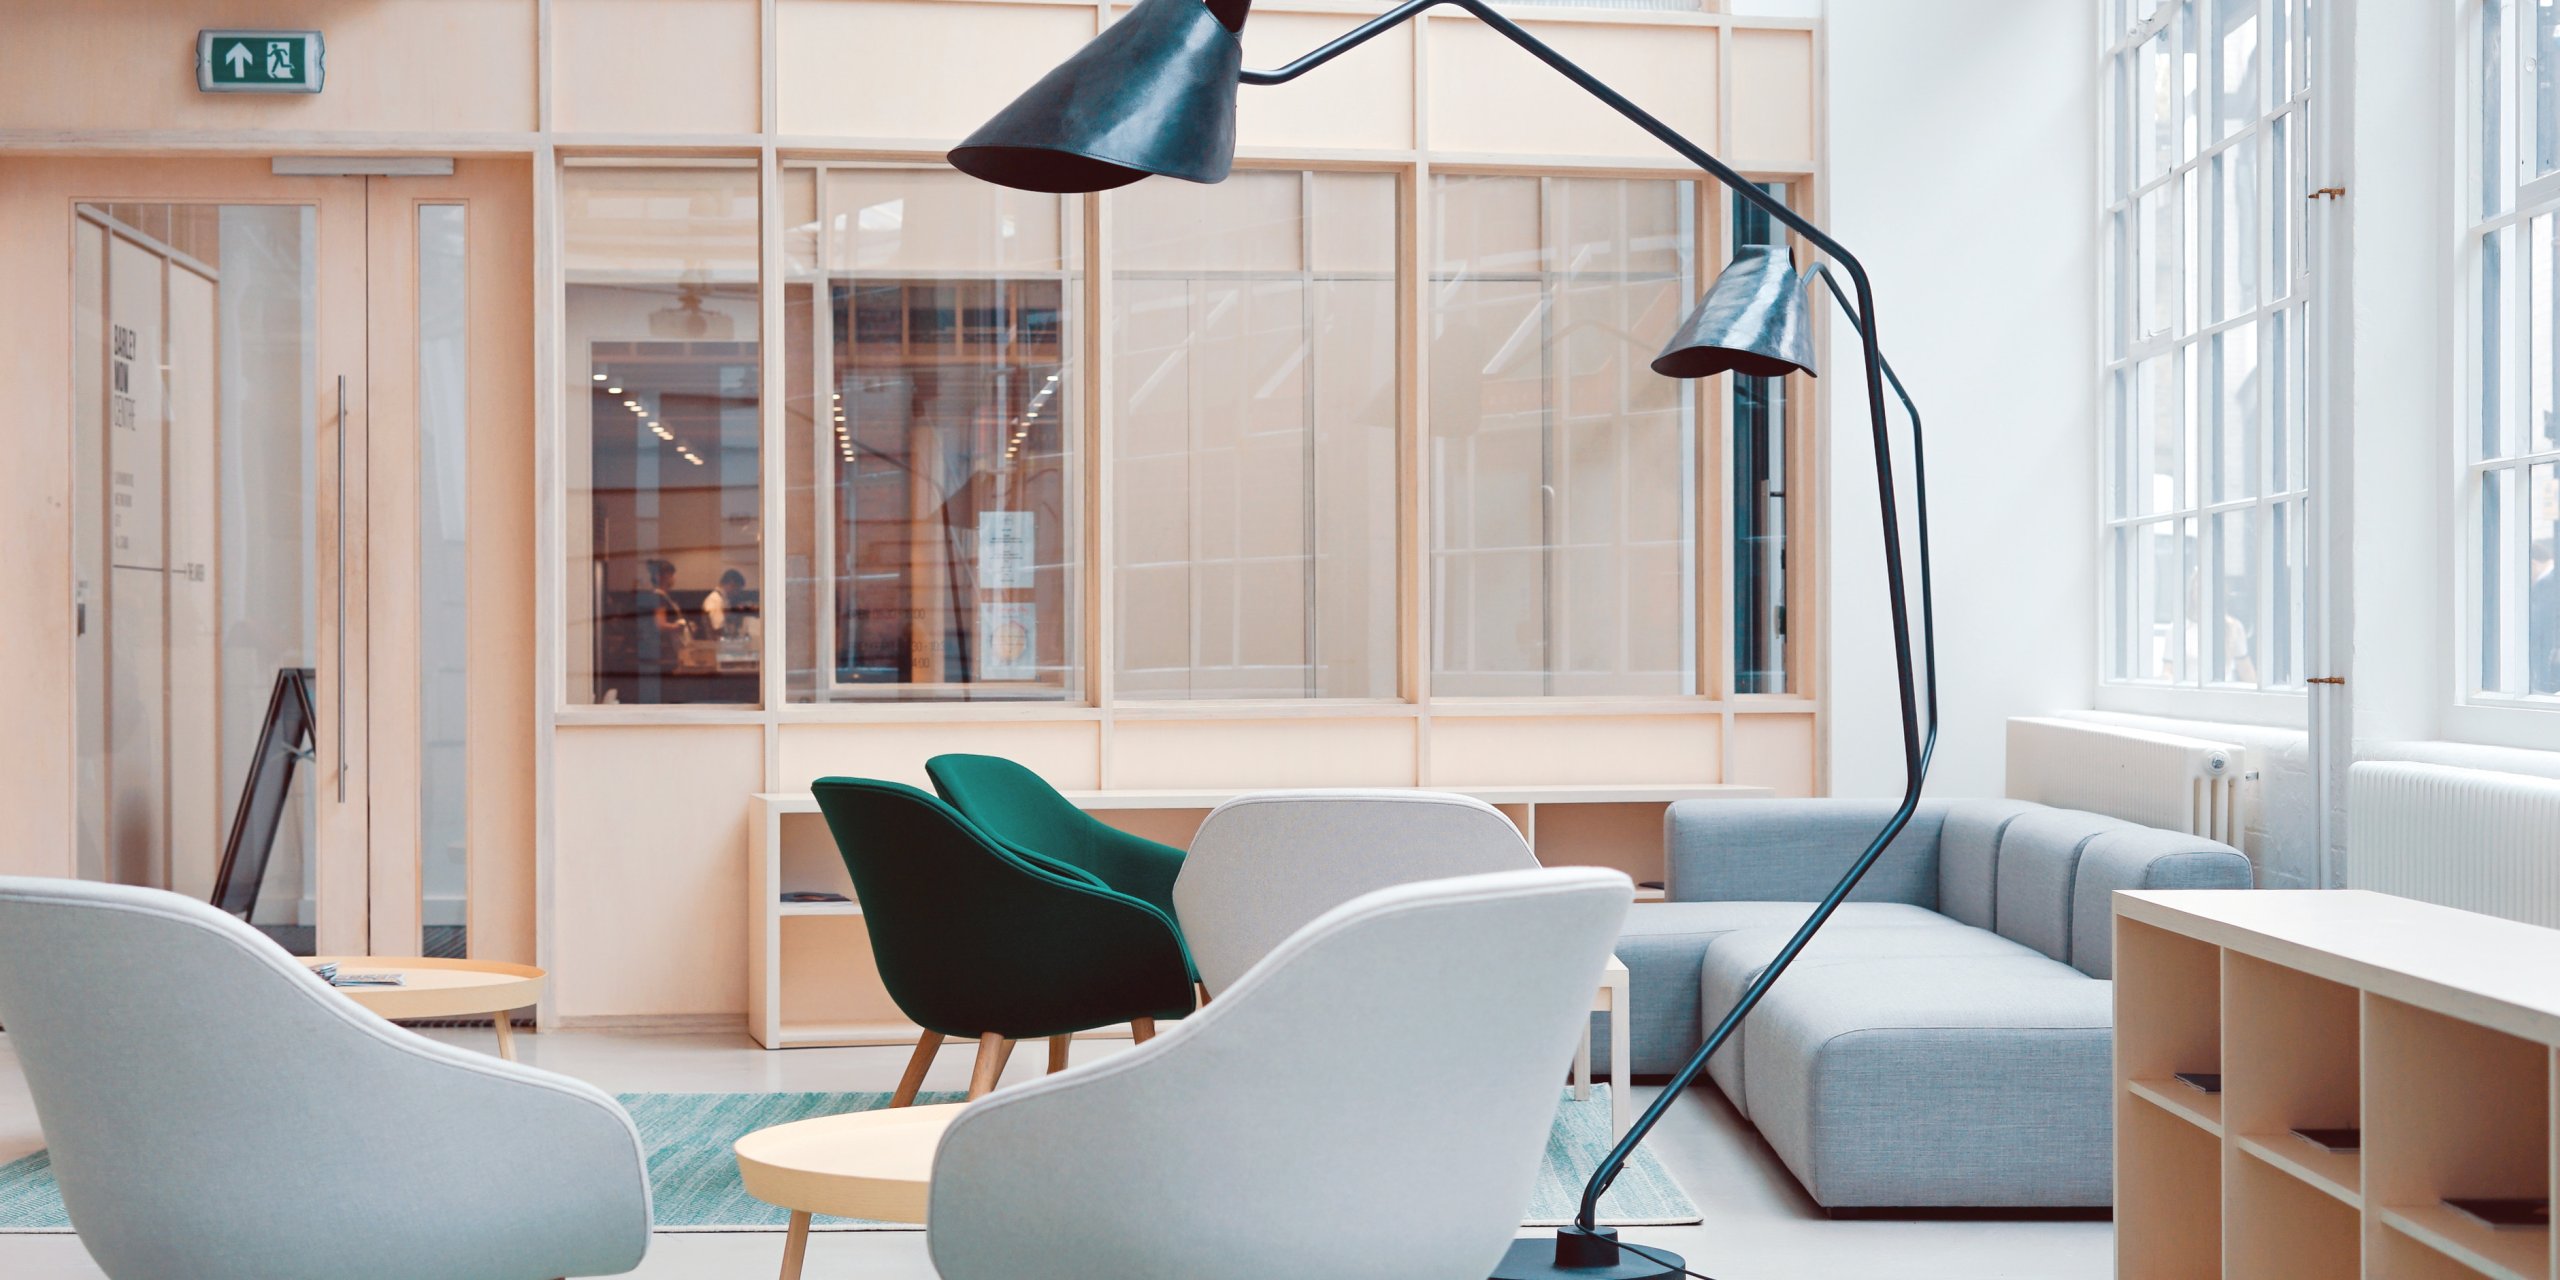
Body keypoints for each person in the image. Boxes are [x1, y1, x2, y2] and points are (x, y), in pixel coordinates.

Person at [703, 568, 747, 637]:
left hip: (721, 641)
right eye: (738, 589)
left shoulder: (722, 598)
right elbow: (718, 629)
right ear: (731, 585)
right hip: (716, 644)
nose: (737, 593)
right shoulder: (715, 600)